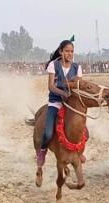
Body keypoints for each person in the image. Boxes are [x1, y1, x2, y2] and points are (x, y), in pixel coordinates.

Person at [36, 40, 87, 168]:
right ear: (61, 51)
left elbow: (78, 86)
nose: (69, 54)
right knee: (48, 133)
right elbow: (51, 86)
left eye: (71, 51)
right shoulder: (54, 65)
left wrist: (75, 83)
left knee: (85, 133)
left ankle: (78, 152)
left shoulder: (77, 67)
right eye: (67, 51)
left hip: (70, 104)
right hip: (55, 103)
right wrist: (62, 93)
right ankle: (42, 152)